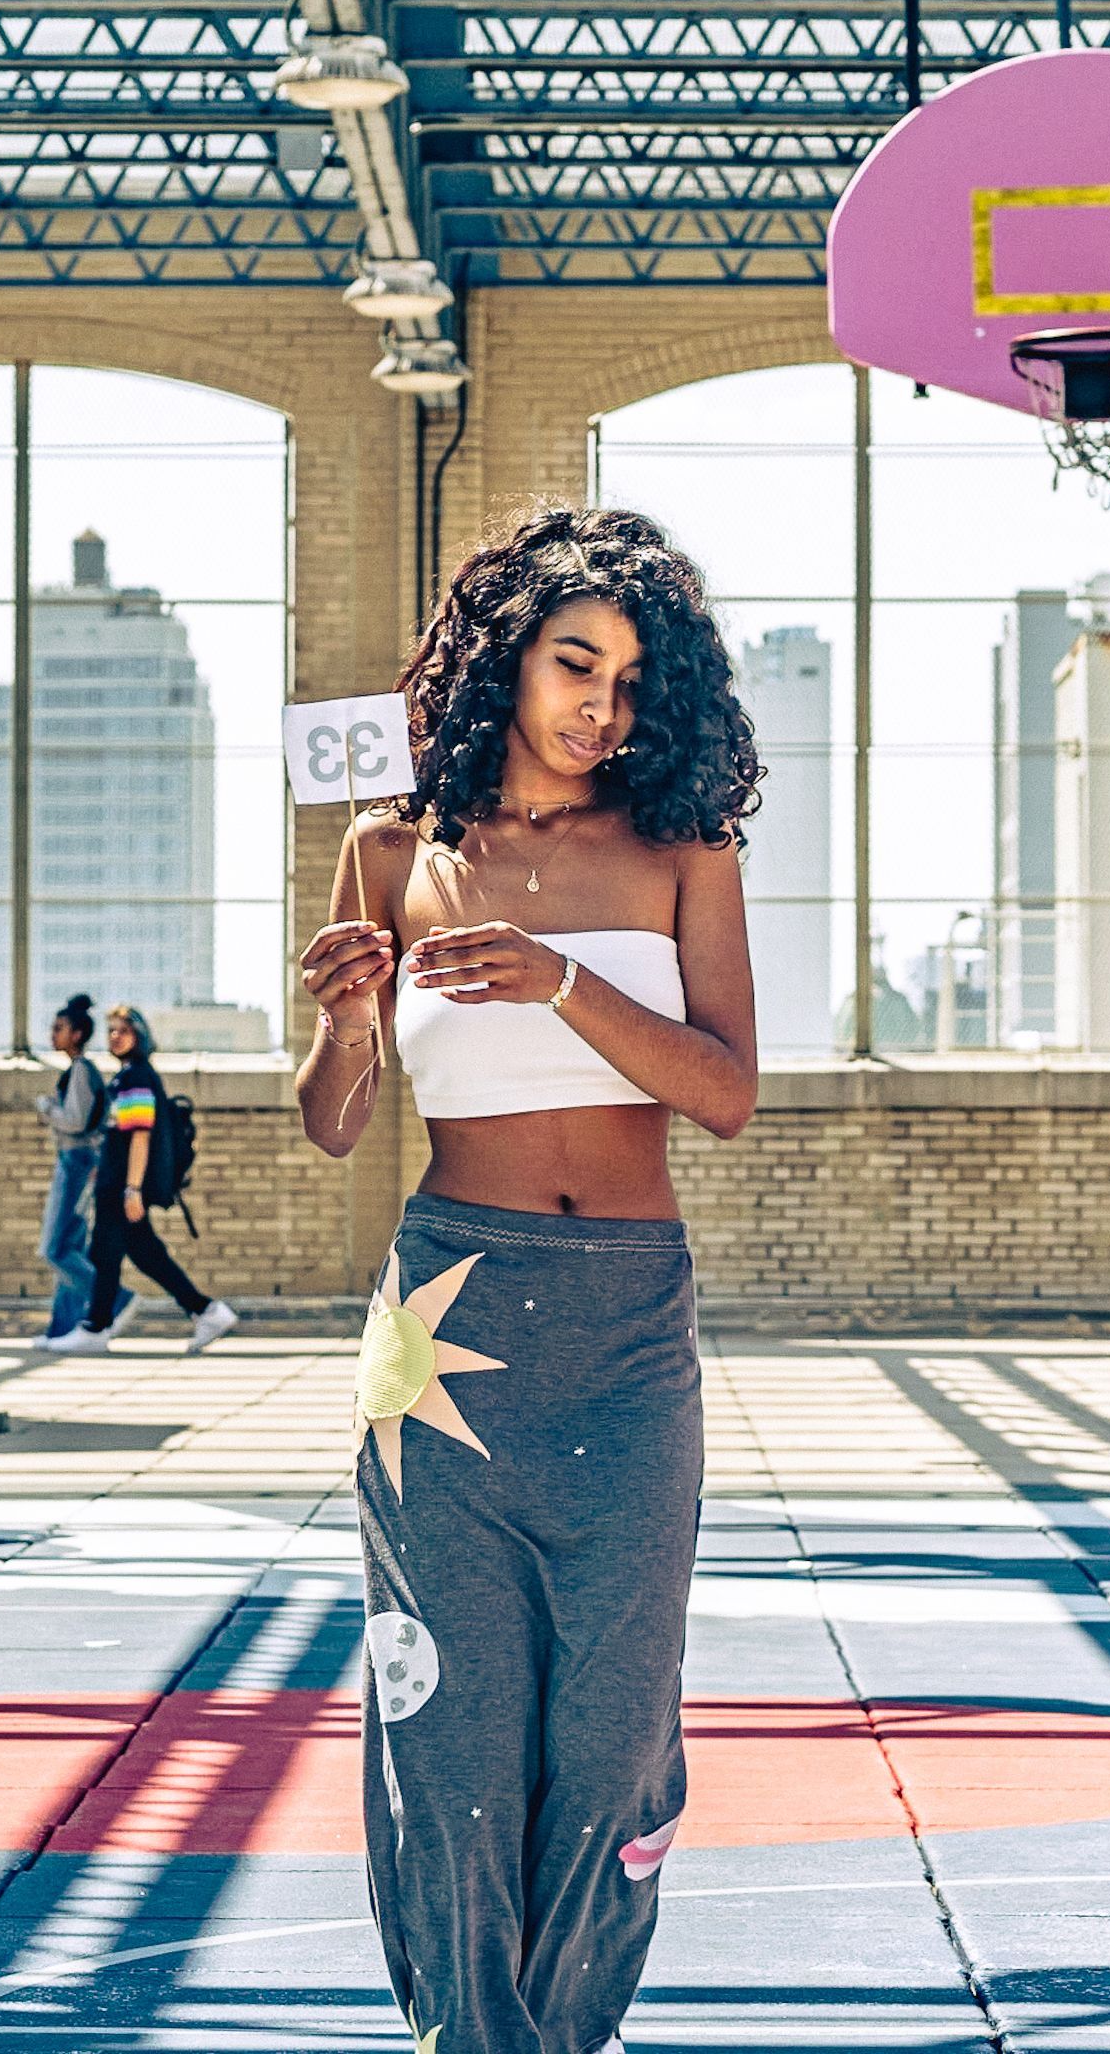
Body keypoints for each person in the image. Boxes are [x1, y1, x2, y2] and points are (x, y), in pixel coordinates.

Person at [297, 506, 760, 2054]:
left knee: (618, 1720)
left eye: (631, 682)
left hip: (630, 1327)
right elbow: (332, 1120)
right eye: (576, 664)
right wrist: (346, 1015)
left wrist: (557, 977)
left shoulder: (680, 845)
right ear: (505, 659)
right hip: (445, 1323)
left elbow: (723, 1090)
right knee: (450, 1719)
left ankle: (566, 2028)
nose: (600, 708)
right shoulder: (389, 850)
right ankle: (468, 2033)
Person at [47, 1004, 236, 1357]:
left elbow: (140, 1136)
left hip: (120, 1187)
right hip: (114, 1182)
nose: (115, 1037)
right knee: (147, 1256)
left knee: (104, 1254)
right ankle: (207, 1311)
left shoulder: (136, 1077)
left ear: (140, 1036)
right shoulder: (128, 1075)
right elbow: (120, 1136)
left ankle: (95, 1327)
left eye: (124, 1030)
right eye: (112, 1031)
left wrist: (132, 1188)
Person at [30, 993, 126, 1348]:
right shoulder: (76, 1070)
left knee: (54, 1249)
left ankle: (116, 1298)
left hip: (78, 1163)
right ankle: (62, 1329)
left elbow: (76, 1120)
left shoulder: (82, 1071)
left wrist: (47, 1108)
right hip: (77, 1161)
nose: (53, 1034)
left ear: (76, 1033)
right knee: (69, 1248)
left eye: (59, 1028)